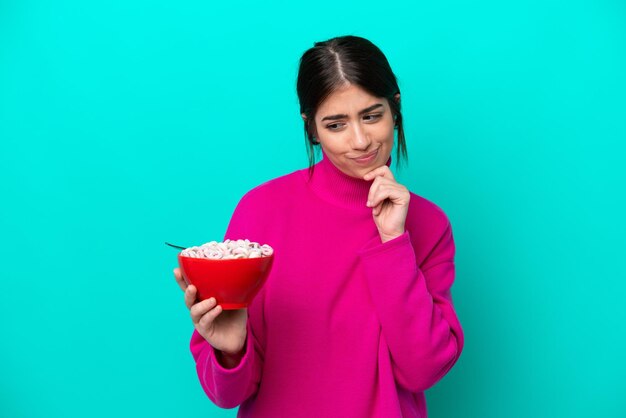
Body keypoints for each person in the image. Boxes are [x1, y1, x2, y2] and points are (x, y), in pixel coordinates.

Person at [173, 35, 464, 417]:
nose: (360, 141)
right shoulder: (260, 210)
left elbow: (423, 368)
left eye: (372, 115)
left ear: (396, 108)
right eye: (336, 124)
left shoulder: (428, 224)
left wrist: (393, 242)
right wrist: (230, 351)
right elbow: (228, 396)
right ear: (311, 128)